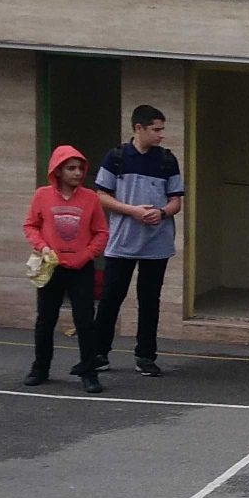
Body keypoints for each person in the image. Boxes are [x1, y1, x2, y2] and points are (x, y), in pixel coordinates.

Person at [90, 105, 186, 379]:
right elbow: (101, 195)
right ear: (138, 128)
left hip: (157, 244)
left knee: (150, 300)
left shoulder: (167, 160)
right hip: (122, 242)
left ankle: (146, 356)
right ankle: (98, 353)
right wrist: (132, 210)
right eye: (156, 129)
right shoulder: (116, 157)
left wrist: (162, 212)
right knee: (111, 297)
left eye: (162, 129)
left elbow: (176, 201)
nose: (161, 135)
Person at [22, 145, 109, 392]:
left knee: (85, 320)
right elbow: (30, 225)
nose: (78, 173)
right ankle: (40, 368)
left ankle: (89, 371)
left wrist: (86, 255)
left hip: (81, 268)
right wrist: (43, 247)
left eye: (80, 168)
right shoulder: (42, 195)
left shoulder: (90, 198)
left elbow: (101, 232)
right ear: (57, 171)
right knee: (45, 319)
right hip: (52, 266)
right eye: (71, 168)